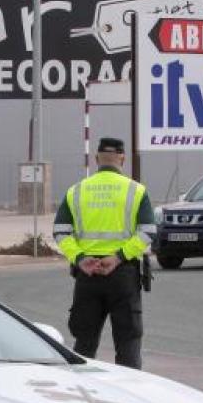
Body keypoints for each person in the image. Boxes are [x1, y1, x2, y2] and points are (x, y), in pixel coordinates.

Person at [53, 137, 155, 369]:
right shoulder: (136, 191)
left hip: (87, 276)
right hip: (123, 274)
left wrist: (80, 259)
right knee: (128, 342)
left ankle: (84, 393)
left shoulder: (76, 191)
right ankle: (129, 395)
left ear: (96, 159)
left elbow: (60, 232)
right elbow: (148, 232)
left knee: (84, 343)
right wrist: (118, 257)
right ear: (123, 159)